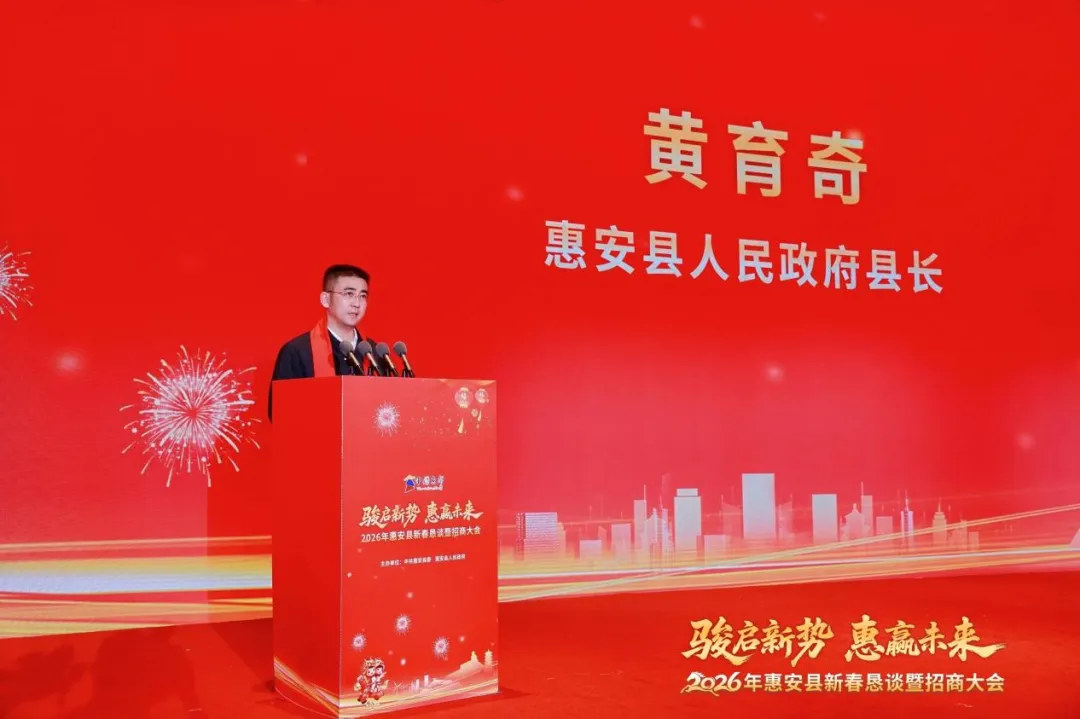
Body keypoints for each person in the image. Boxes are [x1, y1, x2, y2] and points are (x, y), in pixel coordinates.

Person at [268, 263, 381, 421]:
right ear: (326, 299)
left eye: (363, 296)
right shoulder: (297, 351)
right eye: (349, 294)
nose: (357, 303)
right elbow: (280, 412)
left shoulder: (373, 351)